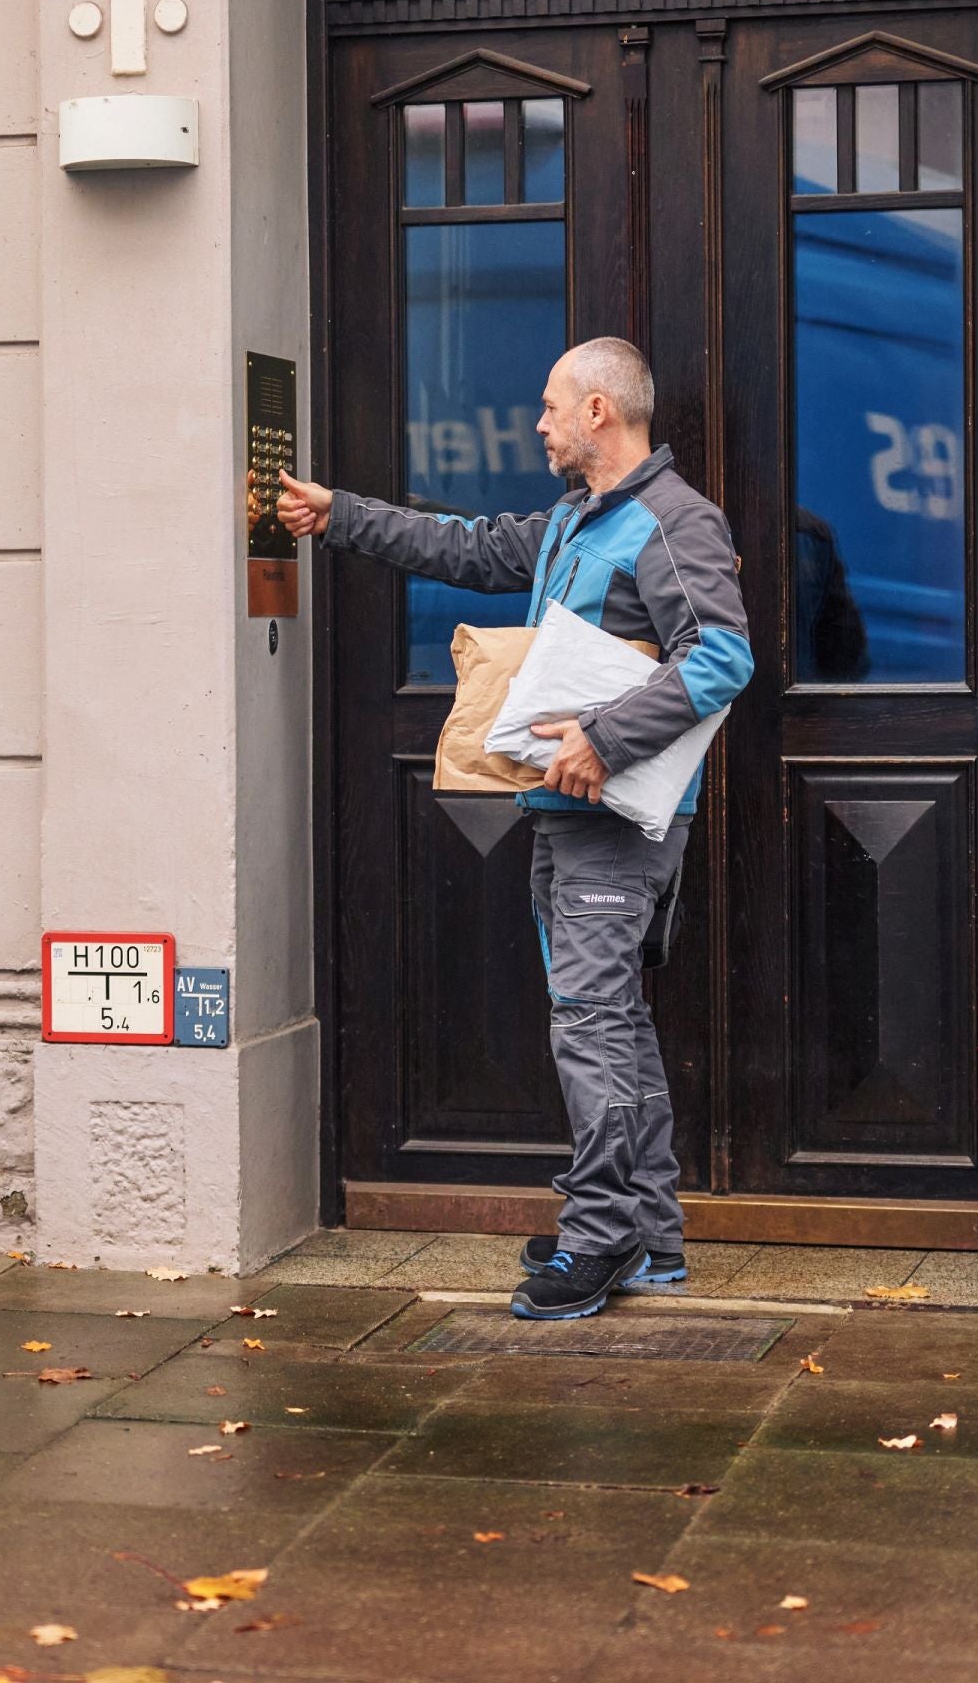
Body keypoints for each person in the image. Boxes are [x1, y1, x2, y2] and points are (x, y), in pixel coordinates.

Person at [275, 337, 753, 1321]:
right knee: (610, 1017)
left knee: (588, 1019)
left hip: (613, 820)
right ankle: (651, 1237)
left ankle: (600, 1235)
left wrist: (606, 739)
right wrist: (339, 515)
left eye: (549, 405)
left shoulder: (672, 522)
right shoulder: (576, 521)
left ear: (598, 415)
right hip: (562, 811)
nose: (535, 422)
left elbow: (722, 659)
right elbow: (466, 546)